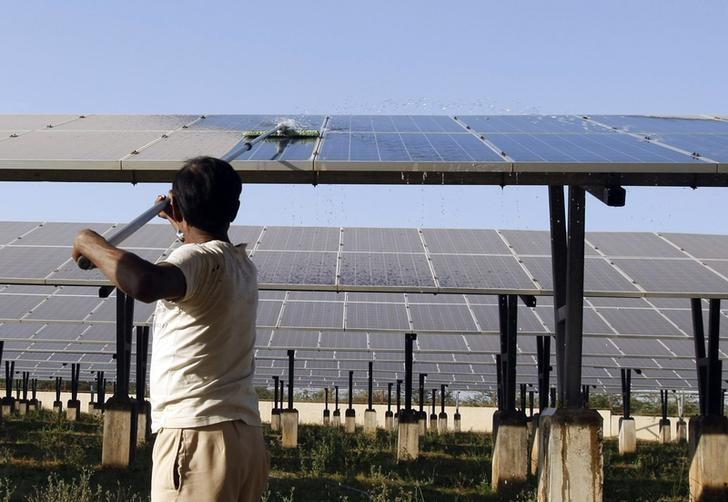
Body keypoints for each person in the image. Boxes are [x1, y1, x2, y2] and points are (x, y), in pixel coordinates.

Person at [72, 156, 269, 502]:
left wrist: (90, 242)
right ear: (235, 209)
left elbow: (146, 283)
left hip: (196, 435)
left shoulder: (198, 261)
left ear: (176, 204)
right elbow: (199, 258)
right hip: (244, 437)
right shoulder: (241, 266)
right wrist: (181, 225)